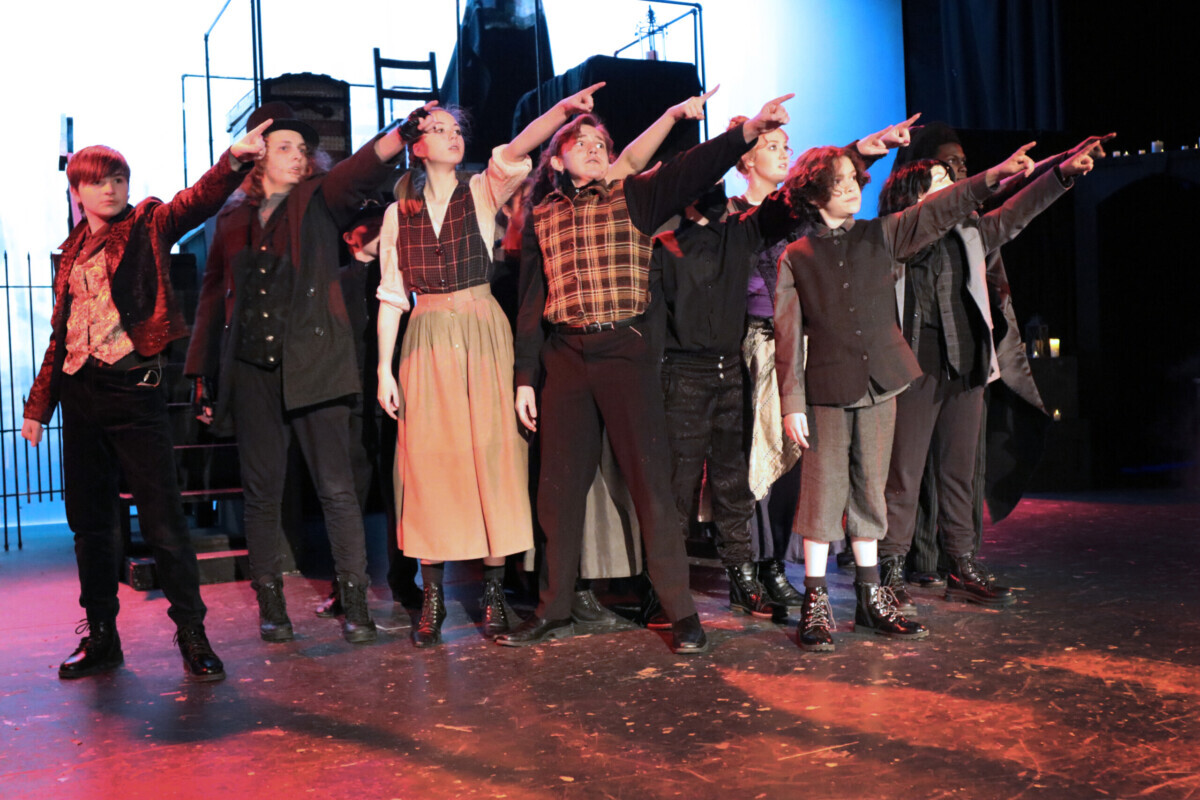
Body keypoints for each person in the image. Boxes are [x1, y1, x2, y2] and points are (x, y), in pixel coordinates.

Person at [502, 92, 793, 654]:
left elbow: (692, 168)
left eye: (601, 144)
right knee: (556, 492)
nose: (593, 149)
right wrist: (523, 377)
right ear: (557, 160)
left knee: (652, 488)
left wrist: (745, 133)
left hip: (626, 350)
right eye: (580, 143)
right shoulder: (541, 216)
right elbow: (531, 302)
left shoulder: (633, 197)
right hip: (565, 356)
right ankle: (553, 607)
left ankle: (681, 612)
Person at [22, 121, 270, 681]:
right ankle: (102, 636)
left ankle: (192, 634)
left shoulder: (147, 223)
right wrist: (40, 407)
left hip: (134, 390)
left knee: (164, 521)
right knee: (90, 524)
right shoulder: (70, 254)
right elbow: (62, 336)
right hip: (82, 396)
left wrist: (233, 160)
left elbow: (193, 203)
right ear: (76, 191)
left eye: (118, 179)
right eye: (98, 182)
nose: (111, 190)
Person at [775, 141, 1042, 652]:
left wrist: (994, 177)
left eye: (855, 178)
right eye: (839, 181)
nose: (852, 187)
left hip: (882, 383)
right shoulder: (797, 256)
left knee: (872, 490)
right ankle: (815, 602)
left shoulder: (884, 233)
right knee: (824, 493)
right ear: (814, 195)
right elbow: (788, 338)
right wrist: (791, 403)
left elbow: (940, 206)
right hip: (827, 391)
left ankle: (873, 598)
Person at [374, 84, 614, 647]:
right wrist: (384, 369)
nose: (454, 136)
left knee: (494, 459)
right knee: (428, 464)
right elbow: (390, 296)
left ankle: (492, 591)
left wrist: (563, 112)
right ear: (416, 144)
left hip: (483, 329)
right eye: (440, 129)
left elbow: (516, 147)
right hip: (427, 336)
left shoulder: (482, 190)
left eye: (459, 130)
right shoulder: (396, 214)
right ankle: (430, 595)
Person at [187, 102, 411, 645]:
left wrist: (401, 134)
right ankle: (272, 606)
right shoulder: (233, 218)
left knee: (335, 488)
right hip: (253, 371)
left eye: (302, 149)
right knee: (263, 493)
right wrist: (201, 373)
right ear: (259, 155)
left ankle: (354, 601)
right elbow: (213, 295)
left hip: (316, 366)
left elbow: (360, 170)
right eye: (284, 146)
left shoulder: (317, 201)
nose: (297, 156)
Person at [876, 139, 1100, 610]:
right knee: (904, 474)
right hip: (913, 367)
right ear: (908, 196)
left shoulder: (971, 233)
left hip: (967, 364)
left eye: (950, 184)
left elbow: (1018, 213)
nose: (951, 191)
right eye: (938, 185)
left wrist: (1061, 174)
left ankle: (961, 562)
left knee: (959, 472)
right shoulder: (895, 233)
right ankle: (892, 567)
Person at [728, 114, 920, 608]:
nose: (783, 150)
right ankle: (758, 566)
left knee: (815, 471)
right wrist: (864, 150)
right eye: (771, 144)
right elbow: (811, 187)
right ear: (745, 159)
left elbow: (825, 187)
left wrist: (866, 151)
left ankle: (800, 571)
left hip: (812, 350)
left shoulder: (802, 220)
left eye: (786, 144)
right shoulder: (744, 217)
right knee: (768, 463)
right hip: (761, 345)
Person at [313, 202, 423, 622]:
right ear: (349, 236)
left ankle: (403, 581)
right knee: (350, 500)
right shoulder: (333, 284)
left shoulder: (399, 280)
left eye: (383, 222)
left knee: (400, 496)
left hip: (395, 400)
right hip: (351, 404)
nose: (378, 228)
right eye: (369, 224)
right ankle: (348, 587)